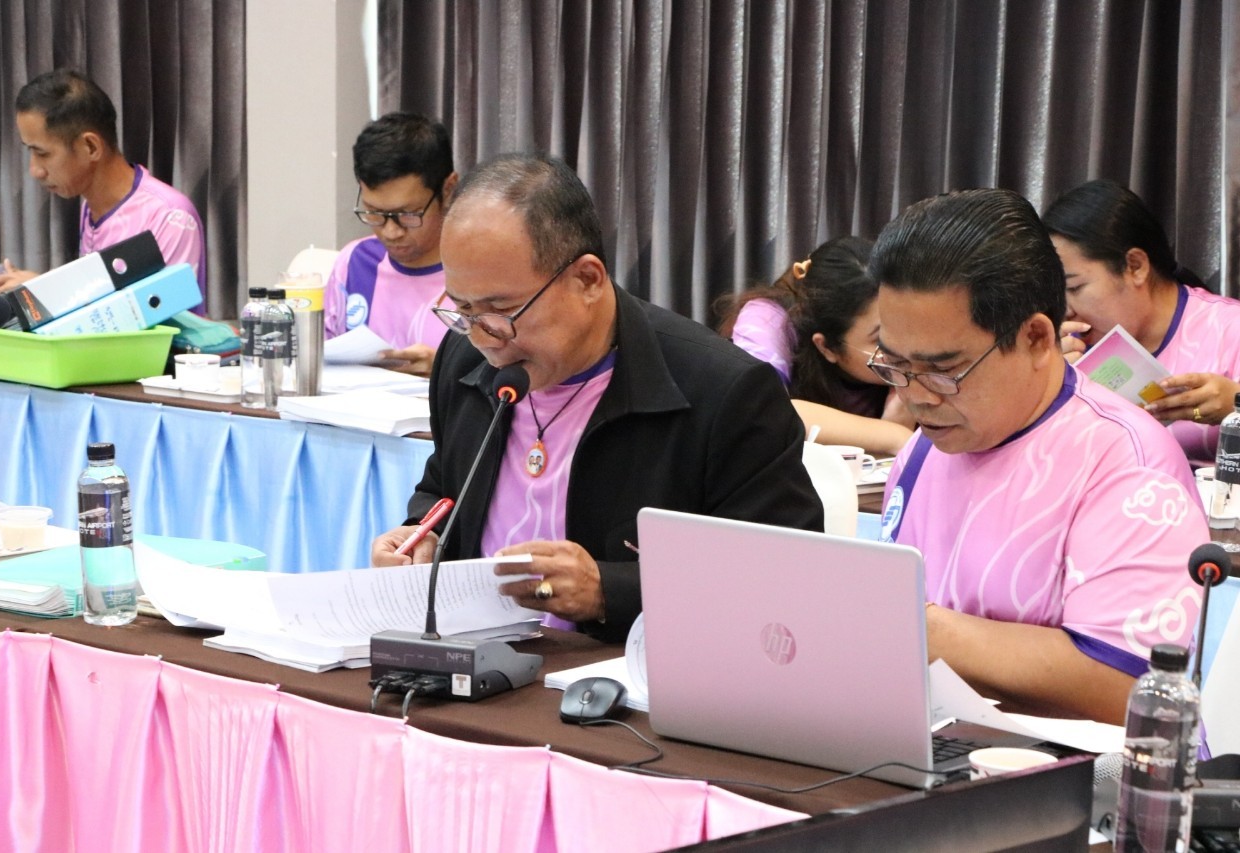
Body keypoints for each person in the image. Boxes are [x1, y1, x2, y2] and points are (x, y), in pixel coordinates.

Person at [370, 153, 823, 642]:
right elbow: (443, 487)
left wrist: (610, 590)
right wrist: (420, 535)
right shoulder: (463, 360)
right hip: (475, 655)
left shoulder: (724, 393)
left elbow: (780, 581)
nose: (484, 338)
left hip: (623, 672)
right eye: (463, 310)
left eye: (502, 310)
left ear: (587, 279)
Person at [870, 188, 1207, 725]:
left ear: (1035, 337)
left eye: (943, 370)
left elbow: (1131, 688)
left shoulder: (1127, 463)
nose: (916, 397)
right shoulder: (926, 446)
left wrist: (917, 626)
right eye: (895, 364)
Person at [1043, 179, 1240, 468]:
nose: (1066, 311)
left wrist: (1235, 406)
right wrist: (1048, 390)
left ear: (1135, 266)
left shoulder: (1229, 329)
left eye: (1075, 288)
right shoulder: (1072, 354)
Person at [0, 69, 207, 312]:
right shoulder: (91, 207)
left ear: (90, 147)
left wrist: (44, 291)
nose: (35, 170)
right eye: (30, 151)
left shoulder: (170, 217)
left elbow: (158, 319)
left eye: (43, 153)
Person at [718, 237, 915, 455]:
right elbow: (761, 408)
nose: (905, 348)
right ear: (826, 347)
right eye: (881, 337)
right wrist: (893, 435)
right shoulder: (768, 320)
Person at [322, 113, 457, 376]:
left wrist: (445, 371)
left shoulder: (480, 272)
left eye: (408, 214)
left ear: (448, 189)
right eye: (375, 213)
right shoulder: (354, 263)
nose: (391, 232)